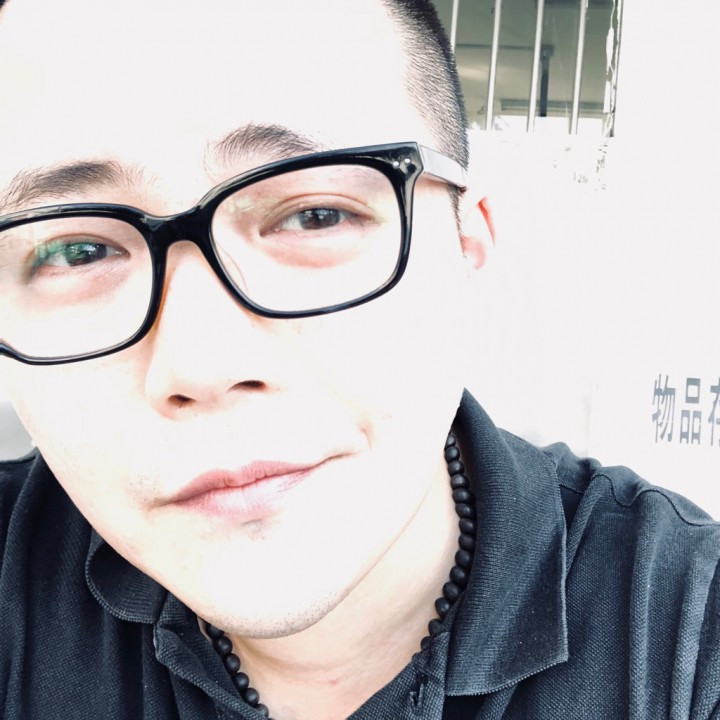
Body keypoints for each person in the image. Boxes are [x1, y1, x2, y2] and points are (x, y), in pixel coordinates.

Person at [0, 0, 717, 718]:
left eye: (315, 215)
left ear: (467, 241)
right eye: (76, 252)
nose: (202, 366)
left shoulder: (687, 642)